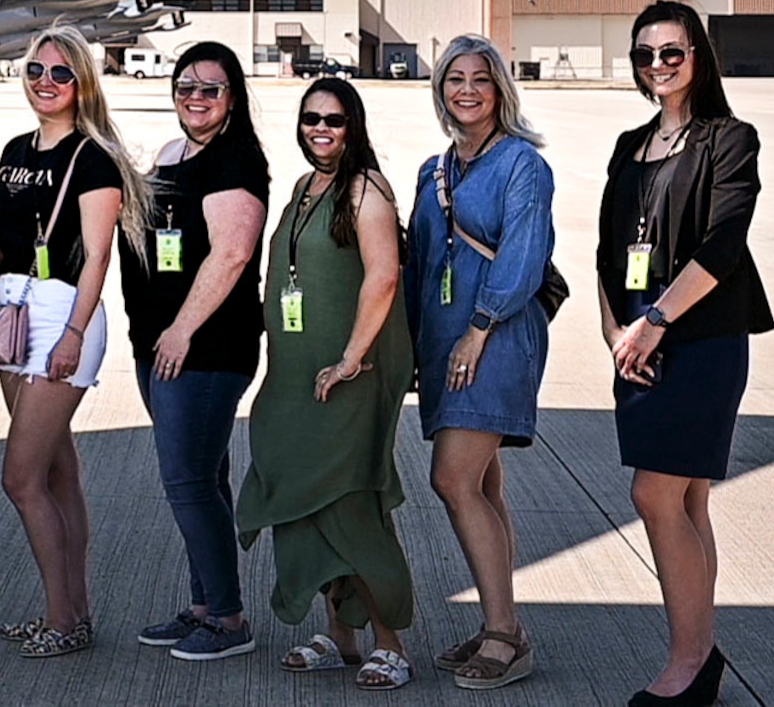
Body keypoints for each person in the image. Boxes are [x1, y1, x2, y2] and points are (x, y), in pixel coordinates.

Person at [599, 2, 770, 707]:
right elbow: (609, 253)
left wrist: (658, 321)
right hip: (636, 343)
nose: (659, 65)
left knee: (655, 492)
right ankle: (700, 655)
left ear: (698, 54)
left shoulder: (730, 139)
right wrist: (618, 333)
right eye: (645, 54)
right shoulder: (628, 144)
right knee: (687, 500)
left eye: (672, 51)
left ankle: (688, 663)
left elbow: (722, 245)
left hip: (701, 339)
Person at [236, 79, 417, 691]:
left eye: (334, 120)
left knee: (348, 502)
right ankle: (339, 635)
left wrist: (349, 359)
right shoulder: (306, 187)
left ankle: (389, 642)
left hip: (350, 373)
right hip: (297, 375)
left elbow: (383, 279)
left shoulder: (365, 190)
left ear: (353, 125)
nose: (321, 128)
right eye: (311, 118)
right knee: (307, 500)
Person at [0, 26, 144, 658]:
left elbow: (98, 256)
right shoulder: (16, 148)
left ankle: (61, 621)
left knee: (20, 480)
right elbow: (1, 233)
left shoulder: (93, 157)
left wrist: (74, 333)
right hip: (13, 311)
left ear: (81, 84)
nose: (44, 84)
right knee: (56, 472)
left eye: (59, 74)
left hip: (61, 313)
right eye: (35, 72)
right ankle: (73, 611)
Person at [406, 33, 554, 691]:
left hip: (493, 340)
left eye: (480, 79)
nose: (466, 89)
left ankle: (503, 634)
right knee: (484, 486)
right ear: (440, 91)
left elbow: (523, 257)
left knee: (454, 479)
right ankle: (506, 623)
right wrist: (414, 346)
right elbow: (419, 267)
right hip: (443, 345)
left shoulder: (523, 164)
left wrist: (478, 328)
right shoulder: (433, 172)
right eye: (454, 79)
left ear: (501, 90)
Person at [121, 41, 270, 662]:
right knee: (203, 480)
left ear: (231, 97)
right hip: (158, 344)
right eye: (186, 84)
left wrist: (181, 329)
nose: (195, 96)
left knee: (186, 481)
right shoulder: (172, 154)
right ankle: (206, 606)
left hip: (205, 349)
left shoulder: (236, 160)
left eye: (210, 87)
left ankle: (230, 620)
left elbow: (232, 252)